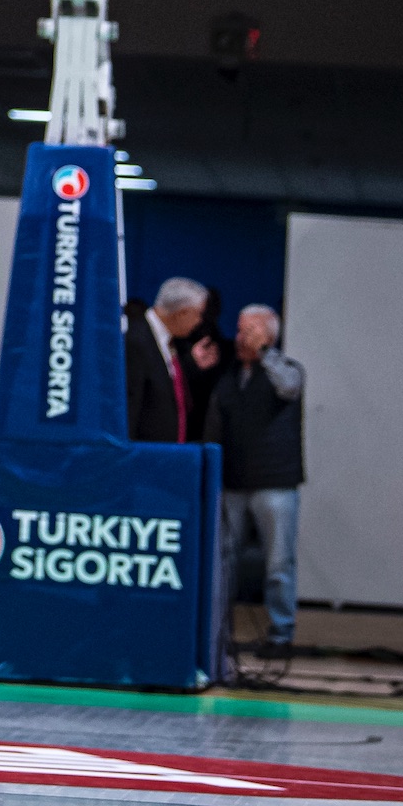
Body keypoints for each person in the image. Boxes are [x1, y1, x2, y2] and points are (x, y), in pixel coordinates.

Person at [204, 304, 306, 671]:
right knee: (222, 562)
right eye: (239, 329)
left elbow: (289, 387)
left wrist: (265, 352)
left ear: (268, 335)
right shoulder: (229, 374)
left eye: (249, 330)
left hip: (275, 483)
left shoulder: (287, 369)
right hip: (233, 482)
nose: (240, 337)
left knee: (278, 563)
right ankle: (217, 632)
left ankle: (281, 634)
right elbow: (212, 422)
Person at [125, 277, 207, 443]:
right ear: (182, 313)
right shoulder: (136, 340)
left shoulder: (169, 341)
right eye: (198, 314)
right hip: (144, 452)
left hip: (167, 451)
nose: (199, 321)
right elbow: (130, 404)